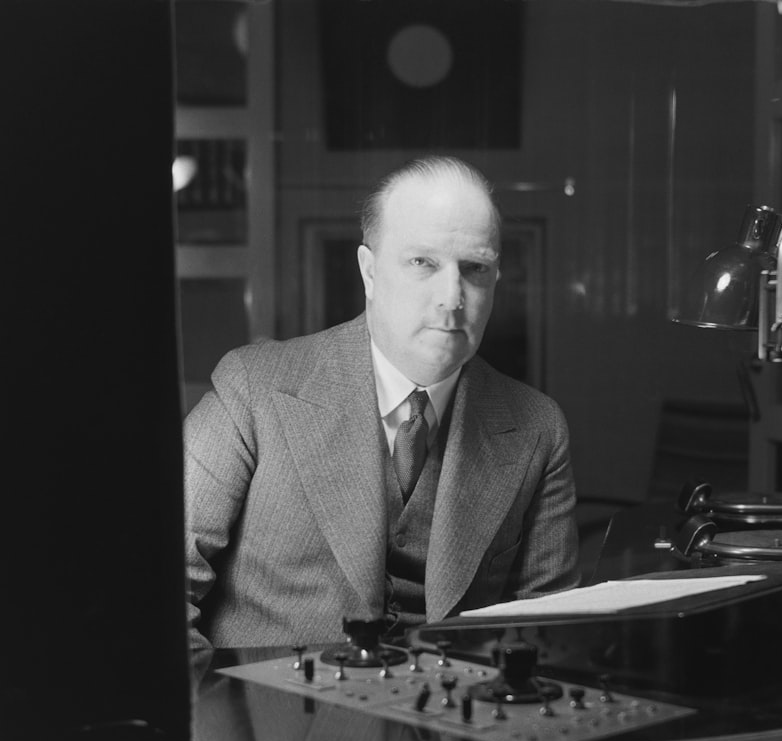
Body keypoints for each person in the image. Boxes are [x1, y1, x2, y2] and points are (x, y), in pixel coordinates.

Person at [184, 156, 580, 651]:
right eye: (422, 263)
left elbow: (546, 634)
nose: (453, 298)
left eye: (475, 268)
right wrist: (221, 714)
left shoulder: (538, 427)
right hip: (273, 715)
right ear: (369, 273)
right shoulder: (253, 390)